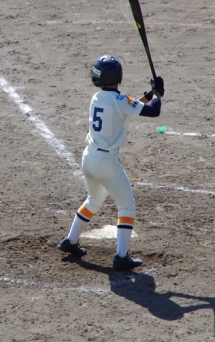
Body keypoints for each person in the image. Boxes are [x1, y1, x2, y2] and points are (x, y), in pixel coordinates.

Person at [58, 55, 164, 270]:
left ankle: (70, 240)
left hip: (88, 158)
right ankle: (121, 257)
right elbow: (153, 111)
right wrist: (158, 95)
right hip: (106, 162)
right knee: (127, 206)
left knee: (94, 200)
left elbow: (129, 106)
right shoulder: (120, 101)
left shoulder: (97, 97)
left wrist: (151, 94)